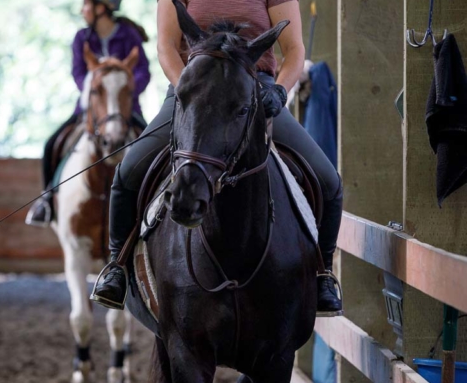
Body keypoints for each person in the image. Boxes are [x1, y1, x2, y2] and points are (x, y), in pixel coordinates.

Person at [92, 0, 343, 316]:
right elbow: (167, 47)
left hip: (252, 91)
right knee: (128, 171)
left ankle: (323, 275)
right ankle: (116, 266)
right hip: (194, 88)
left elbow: (294, 51)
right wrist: (189, 88)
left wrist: (279, 91)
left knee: (327, 179)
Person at [25, 0, 150, 227]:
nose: (82, 10)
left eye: (86, 4)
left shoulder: (129, 35)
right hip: (91, 110)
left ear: (101, 8)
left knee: (152, 145)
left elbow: (142, 70)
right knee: (52, 143)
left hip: (126, 109)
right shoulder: (80, 38)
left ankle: (153, 200)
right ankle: (46, 201)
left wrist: (124, 91)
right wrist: (97, 94)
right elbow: (78, 73)